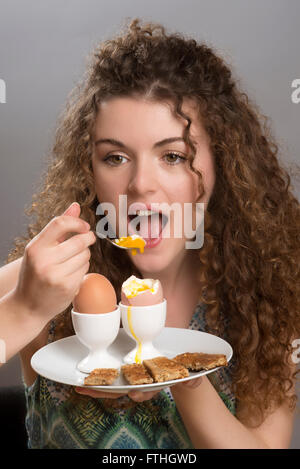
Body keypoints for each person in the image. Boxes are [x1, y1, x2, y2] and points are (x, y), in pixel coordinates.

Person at [0, 17, 299, 449]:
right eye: (116, 157)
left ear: (223, 165)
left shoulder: (266, 297)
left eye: (174, 156)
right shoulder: (49, 279)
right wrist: (25, 309)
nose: (141, 184)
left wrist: (182, 377)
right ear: (90, 173)